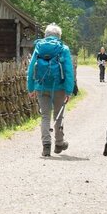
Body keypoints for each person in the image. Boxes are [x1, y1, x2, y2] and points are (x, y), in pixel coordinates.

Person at [27, 23, 75, 157]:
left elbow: (31, 68)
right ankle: (59, 143)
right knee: (58, 116)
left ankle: (46, 146)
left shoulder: (39, 47)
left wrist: (31, 88)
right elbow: (69, 71)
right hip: (59, 88)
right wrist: (69, 91)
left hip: (41, 87)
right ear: (59, 36)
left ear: (46, 35)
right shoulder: (63, 48)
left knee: (45, 116)